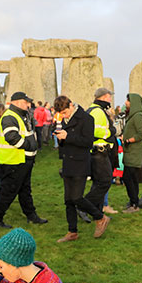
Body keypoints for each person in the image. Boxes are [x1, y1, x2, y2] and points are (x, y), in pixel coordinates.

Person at [54, 95, 110, 242]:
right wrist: (60, 139)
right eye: (62, 114)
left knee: (77, 197)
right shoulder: (63, 120)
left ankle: (100, 217)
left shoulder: (86, 118)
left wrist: (68, 136)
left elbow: (87, 142)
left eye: (65, 112)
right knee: (68, 200)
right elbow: (65, 142)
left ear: (71, 105)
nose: (64, 115)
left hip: (80, 162)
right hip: (67, 162)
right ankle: (72, 231)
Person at [0, 92, 47, 228]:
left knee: (25, 190)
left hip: (23, 159)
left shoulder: (22, 115)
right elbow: (12, 137)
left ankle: (31, 215)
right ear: (17, 102)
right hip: (14, 160)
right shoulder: (10, 116)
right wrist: (29, 146)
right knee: (8, 192)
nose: (28, 104)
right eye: (26, 102)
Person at [84, 88, 117, 213]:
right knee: (105, 182)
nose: (110, 99)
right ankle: (84, 205)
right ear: (103, 97)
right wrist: (111, 132)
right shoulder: (97, 111)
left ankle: (96, 211)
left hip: (98, 151)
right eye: (109, 97)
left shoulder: (96, 109)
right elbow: (95, 131)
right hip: (99, 151)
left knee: (98, 182)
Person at [121, 93, 142, 213]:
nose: (126, 102)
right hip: (129, 151)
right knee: (130, 178)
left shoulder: (138, 116)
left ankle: (134, 204)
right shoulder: (132, 116)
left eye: (128, 100)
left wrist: (128, 140)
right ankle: (133, 201)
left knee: (129, 178)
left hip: (134, 152)